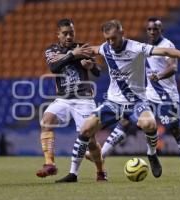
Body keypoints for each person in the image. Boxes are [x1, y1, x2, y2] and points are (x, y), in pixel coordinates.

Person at [55, 19, 180, 183]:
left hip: (137, 102)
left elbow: (164, 51)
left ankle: (151, 153)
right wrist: (71, 55)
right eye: (107, 38)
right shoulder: (106, 47)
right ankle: (73, 174)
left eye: (113, 38)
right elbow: (92, 49)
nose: (110, 42)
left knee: (149, 124)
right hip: (113, 103)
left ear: (122, 33)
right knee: (86, 129)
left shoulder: (136, 47)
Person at [36, 18, 107, 181]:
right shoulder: (51, 50)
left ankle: (101, 171)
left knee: (90, 141)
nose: (69, 37)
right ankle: (50, 164)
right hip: (63, 98)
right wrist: (72, 55)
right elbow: (53, 67)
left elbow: (97, 72)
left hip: (83, 99)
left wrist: (91, 66)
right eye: (65, 33)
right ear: (58, 34)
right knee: (46, 121)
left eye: (71, 33)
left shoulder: (83, 48)